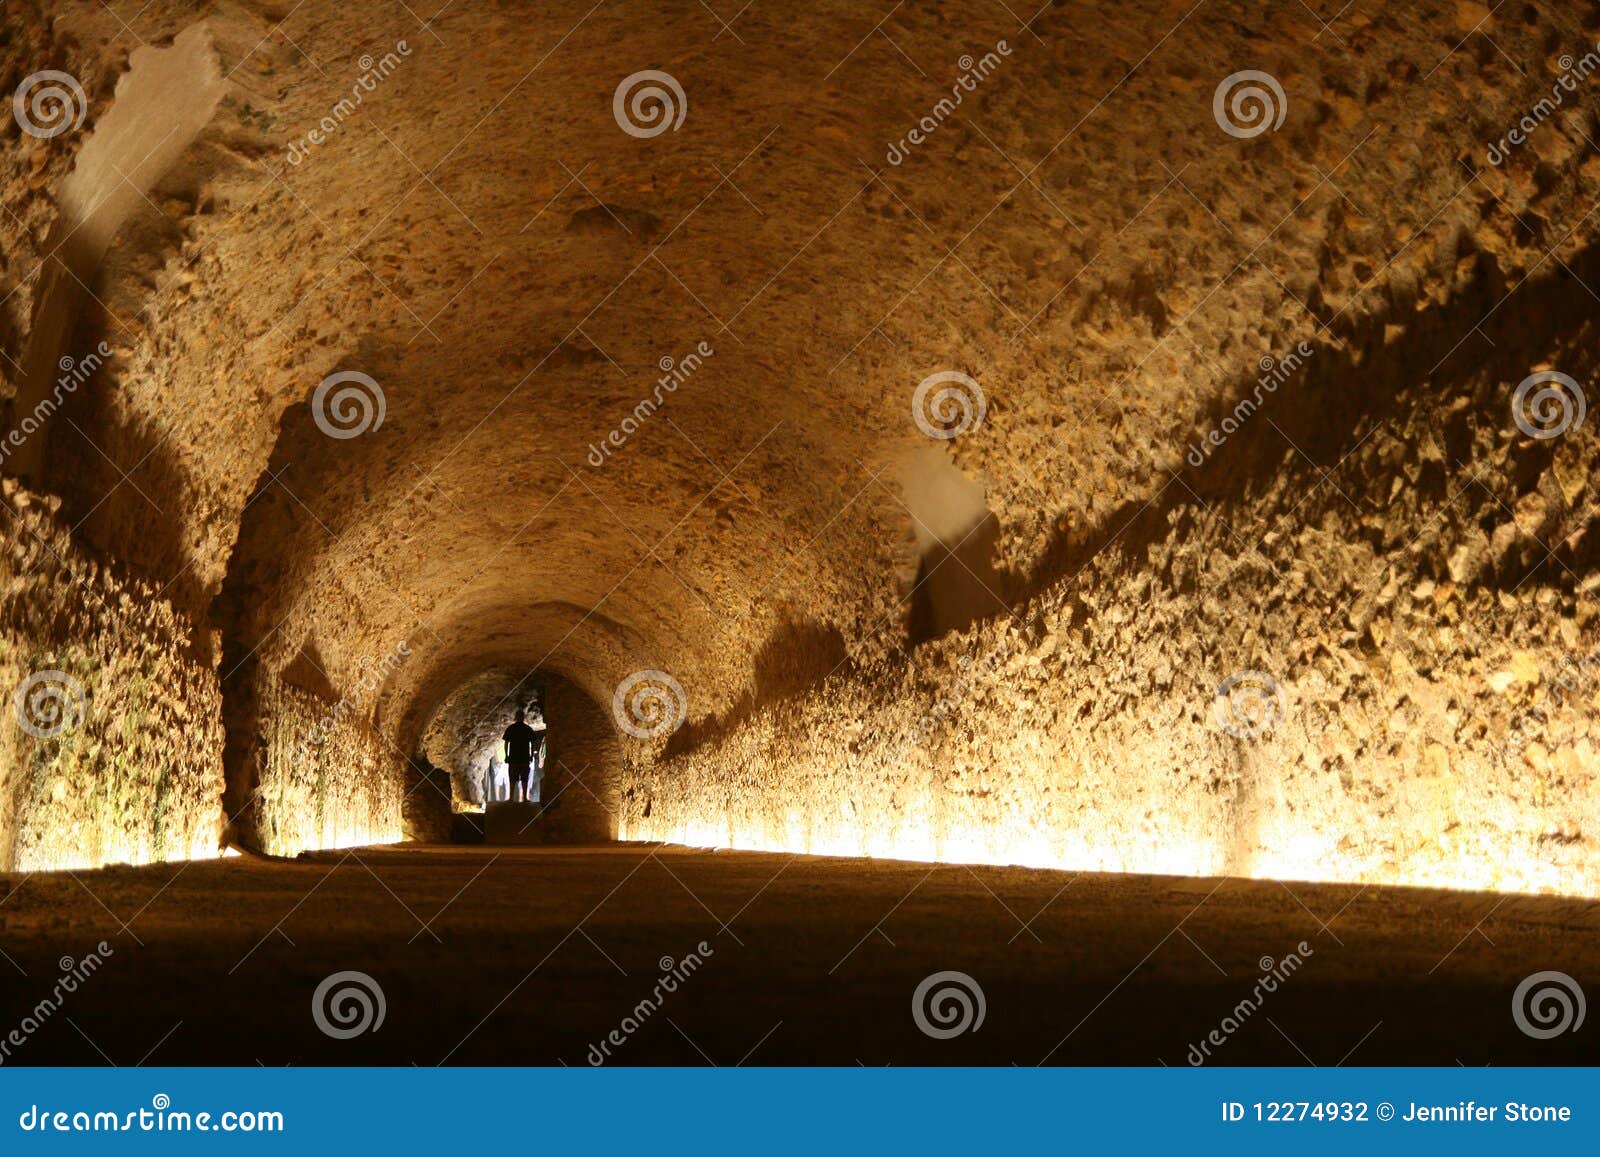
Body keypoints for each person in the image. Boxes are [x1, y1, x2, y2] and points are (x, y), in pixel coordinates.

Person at [501, 708, 545, 803]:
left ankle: (512, 798)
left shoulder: (511, 728)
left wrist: (507, 756)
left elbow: (506, 743)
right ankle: (524, 798)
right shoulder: (527, 729)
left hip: (514, 757)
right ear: (523, 717)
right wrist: (530, 755)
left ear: (516, 717)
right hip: (523, 758)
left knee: (513, 778)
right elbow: (532, 742)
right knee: (524, 779)